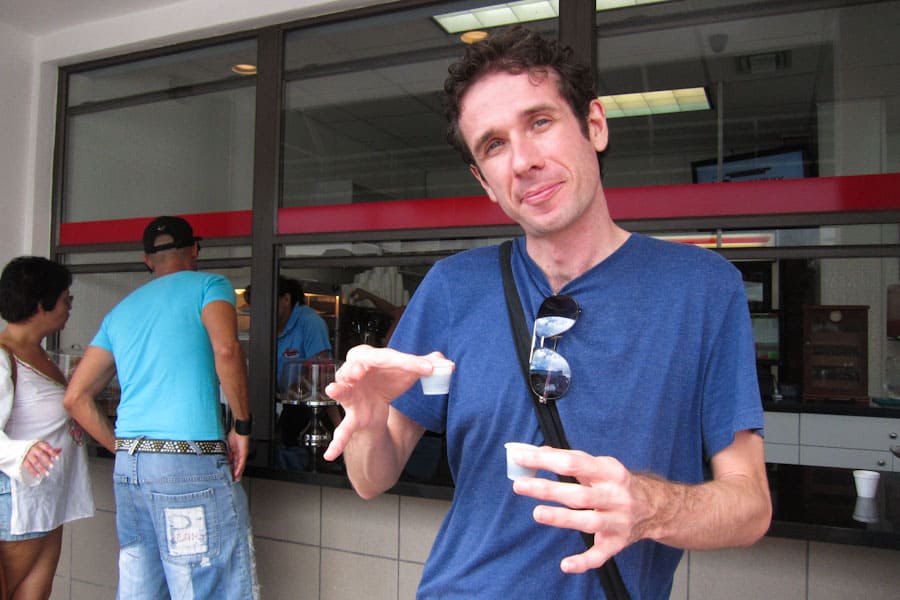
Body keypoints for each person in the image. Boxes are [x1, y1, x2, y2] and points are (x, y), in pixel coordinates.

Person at [323, 27, 771, 599]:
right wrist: (365, 418)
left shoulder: (703, 290)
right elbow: (370, 480)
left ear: (594, 125)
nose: (524, 161)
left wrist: (651, 506)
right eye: (493, 145)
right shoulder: (453, 288)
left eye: (540, 122)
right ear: (484, 183)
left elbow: (750, 506)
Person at [63, 216, 258, 599]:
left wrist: (121, 447)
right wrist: (242, 425)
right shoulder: (210, 285)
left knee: (142, 589)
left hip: (131, 469)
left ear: (148, 260)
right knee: (206, 586)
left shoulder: (121, 311)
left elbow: (75, 397)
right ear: (196, 250)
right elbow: (226, 348)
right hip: (188, 464)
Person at [0, 256, 94, 600]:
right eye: (66, 300)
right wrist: (21, 451)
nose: (69, 307)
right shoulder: (3, 356)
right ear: (42, 305)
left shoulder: (40, 354)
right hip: (17, 500)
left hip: (47, 497)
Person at [244, 277, 333, 465]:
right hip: (283, 409)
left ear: (286, 299)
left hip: (313, 411)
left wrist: (298, 384)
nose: (261, 311)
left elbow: (323, 370)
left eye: (265, 303)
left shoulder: (309, 322)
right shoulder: (267, 327)